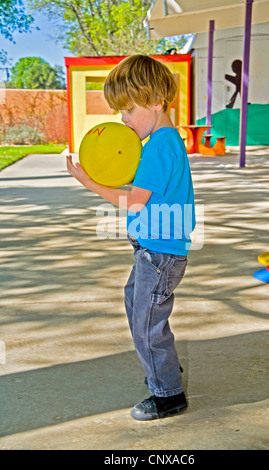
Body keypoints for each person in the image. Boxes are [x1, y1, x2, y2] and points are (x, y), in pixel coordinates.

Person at [66, 54, 195, 421]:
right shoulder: (164, 141)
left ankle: (168, 394)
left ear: (155, 101)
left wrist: (90, 183)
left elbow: (136, 202)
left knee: (146, 323)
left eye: (128, 109)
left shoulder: (158, 146)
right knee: (137, 306)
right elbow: (145, 190)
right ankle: (164, 367)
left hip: (159, 254)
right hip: (153, 252)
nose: (123, 119)